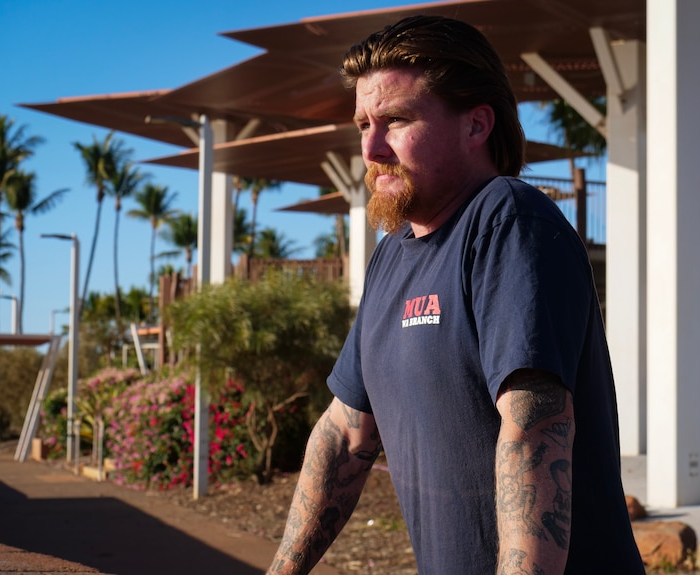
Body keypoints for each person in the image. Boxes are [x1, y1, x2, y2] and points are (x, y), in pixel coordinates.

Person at [268, 14, 646, 575]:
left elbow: (534, 429)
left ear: (476, 125)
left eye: (395, 120)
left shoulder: (508, 221)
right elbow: (346, 436)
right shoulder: (394, 254)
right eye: (362, 124)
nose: (371, 148)